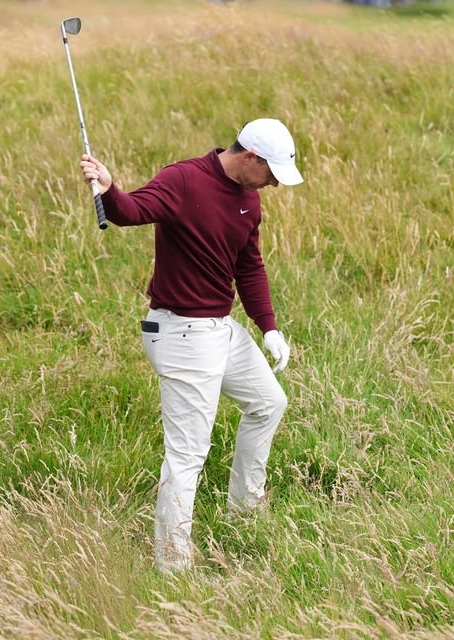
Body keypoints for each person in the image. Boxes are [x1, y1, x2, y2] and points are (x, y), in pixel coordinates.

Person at [79, 118, 304, 573]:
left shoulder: (250, 200)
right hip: (181, 333)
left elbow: (250, 267)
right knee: (188, 454)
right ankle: (173, 565)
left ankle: (244, 508)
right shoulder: (183, 179)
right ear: (250, 158)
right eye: (272, 172)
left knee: (269, 402)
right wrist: (108, 187)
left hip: (219, 330)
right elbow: (132, 211)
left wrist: (269, 328)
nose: (276, 183)